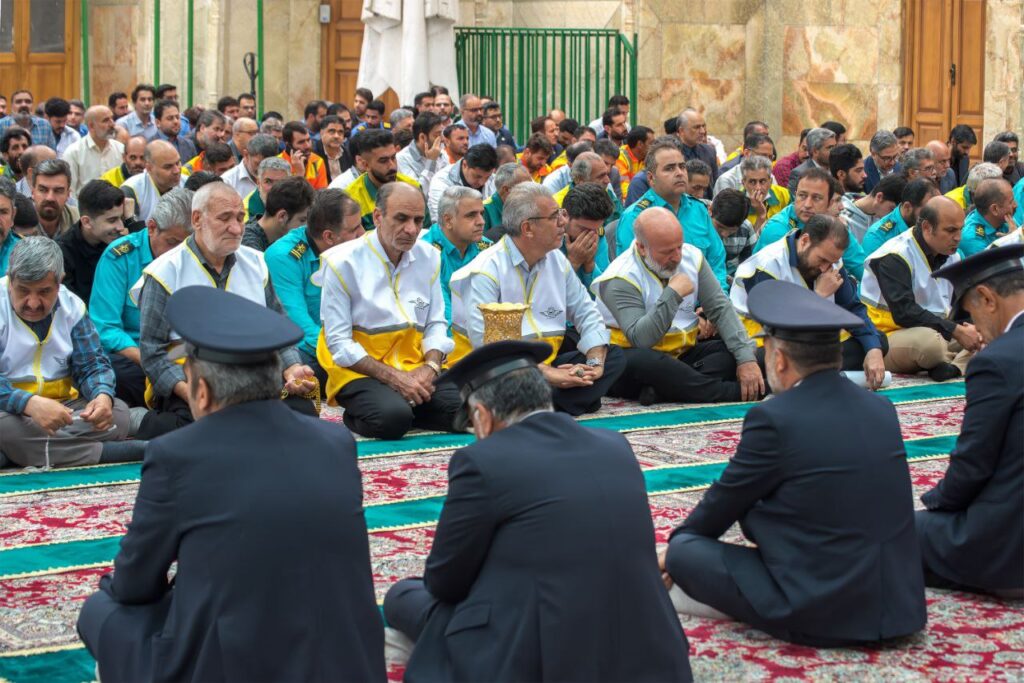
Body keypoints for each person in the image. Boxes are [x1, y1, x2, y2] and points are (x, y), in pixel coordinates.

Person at [77, 286, 385, 683]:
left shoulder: (177, 454)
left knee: (100, 612)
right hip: (341, 665)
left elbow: (134, 584)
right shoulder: (336, 442)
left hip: (234, 666)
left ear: (202, 392)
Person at [384, 340, 693, 682]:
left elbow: (445, 582)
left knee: (404, 597)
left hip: (549, 658)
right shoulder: (615, 444)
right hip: (648, 651)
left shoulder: (483, 461)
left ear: (482, 417)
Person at [661, 279, 927, 646]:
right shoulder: (881, 408)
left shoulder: (774, 418)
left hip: (820, 609)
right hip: (899, 606)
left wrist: (675, 549)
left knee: (684, 552)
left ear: (779, 359)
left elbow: (719, 509)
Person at [133, 183, 317, 439]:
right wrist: (193, 395)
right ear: (197, 219)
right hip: (192, 376)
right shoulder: (164, 272)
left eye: (240, 218)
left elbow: (279, 330)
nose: (236, 228)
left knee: (302, 414)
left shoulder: (256, 262)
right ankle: (144, 421)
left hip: (254, 375)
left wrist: (292, 368)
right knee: (203, 429)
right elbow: (153, 351)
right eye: (225, 218)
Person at [449, 183, 625, 415]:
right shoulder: (486, 271)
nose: (563, 222)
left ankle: (544, 402)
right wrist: (550, 375)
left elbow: (587, 312)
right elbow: (490, 350)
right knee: (508, 381)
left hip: (544, 365)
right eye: (554, 217)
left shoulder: (556, 261)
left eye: (561, 214)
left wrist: (594, 363)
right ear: (528, 228)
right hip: (495, 371)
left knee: (614, 356)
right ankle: (562, 399)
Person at [915, 244, 1024, 597]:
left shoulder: (997, 360)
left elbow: (973, 463)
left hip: (1008, 548)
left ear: (987, 299)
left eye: (971, 316)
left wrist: (936, 504)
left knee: (887, 530)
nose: (975, 329)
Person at [315, 183, 459, 439]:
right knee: (392, 420)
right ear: (378, 217)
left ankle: (409, 404)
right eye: (401, 219)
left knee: (466, 408)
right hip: (360, 370)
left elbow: (436, 323)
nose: (411, 229)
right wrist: (396, 379)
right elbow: (339, 344)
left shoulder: (429, 257)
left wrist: (429, 368)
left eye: (418, 220)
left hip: (414, 365)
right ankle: (391, 408)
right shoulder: (342, 262)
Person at [594, 206, 762, 405]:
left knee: (742, 352)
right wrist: (672, 295)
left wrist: (746, 360)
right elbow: (642, 339)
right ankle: (729, 392)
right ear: (642, 248)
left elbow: (720, 308)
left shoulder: (692, 257)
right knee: (647, 363)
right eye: (667, 252)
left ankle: (664, 391)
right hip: (635, 359)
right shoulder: (620, 277)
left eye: (679, 247)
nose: (677, 257)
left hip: (682, 354)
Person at [0, 237, 141, 467]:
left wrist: (102, 396)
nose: (33, 303)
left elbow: (92, 364)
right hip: (8, 411)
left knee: (118, 412)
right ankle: (105, 452)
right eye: (23, 291)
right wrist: (29, 404)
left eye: (44, 291)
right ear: (10, 279)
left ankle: (15, 452)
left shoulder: (72, 306)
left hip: (63, 408)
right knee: (6, 428)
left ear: (59, 282)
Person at [732, 215, 888, 390]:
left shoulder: (832, 262)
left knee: (877, 341)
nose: (825, 268)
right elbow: (779, 326)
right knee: (773, 358)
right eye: (822, 260)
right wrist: (818, 297)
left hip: (809, 340)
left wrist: (873, 350)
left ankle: (807, 377)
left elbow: (853, 308)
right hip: (768, 342)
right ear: (805, 241)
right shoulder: (767, 266)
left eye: (832, 262)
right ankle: (817, 377)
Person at [91, 189, 193, 408]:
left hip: (179, 350)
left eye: (187, 245)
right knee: (119, 374)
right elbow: (105, 327)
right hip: (134, 355)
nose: (179, 253)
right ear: (152, 227)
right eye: (172, 242)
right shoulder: (120, 257)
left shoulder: (195, 256)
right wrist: (150, 360)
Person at [861, 196, 980, 379]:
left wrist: (972, 329)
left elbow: (959, 308)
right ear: (926, 227)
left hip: (937, 329)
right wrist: (956, 330)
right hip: (887, 336)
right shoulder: (895, 255)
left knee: (989, 329)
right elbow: (905, 313)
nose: (958, 237)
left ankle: (953, 368)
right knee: (931, 346)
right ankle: (955, 360)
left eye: (960, 229)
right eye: (950, 230)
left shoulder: (952, 255)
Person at [266, 189, 363, 389]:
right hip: (316, 347)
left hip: (352, 341)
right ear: (329, 237)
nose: (362, 234)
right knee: (303, 370)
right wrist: (346, 351)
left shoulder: (357, 248)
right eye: (354, 229)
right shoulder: (284, 257)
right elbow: (298, 325)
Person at [617, 138, 728, 289]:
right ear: (651, 178)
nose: (679, 173)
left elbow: (716, 261)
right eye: (669, 168)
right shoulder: (636, 217)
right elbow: (631, 274)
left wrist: (717, 298)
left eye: (682, 167)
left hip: (704, 298)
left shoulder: (699, 209)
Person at [755, 167, 866, 280]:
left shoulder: (834, 226)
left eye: (816, 198)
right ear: (795, 196)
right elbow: (786, 283)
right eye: (802, 195)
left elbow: (862, 269)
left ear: (829, 203)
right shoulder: (778, 230)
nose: (807, 204)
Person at [421, 186, 490, 325]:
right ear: (448, 221)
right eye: (471, 215)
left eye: (481, 214)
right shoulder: (427, 253)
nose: (481, 221)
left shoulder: (486, 248)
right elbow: (441, 313)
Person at [56, 179, 127, 303]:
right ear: (86, 222)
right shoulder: (62, 253)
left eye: (122, 218)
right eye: (112, 220)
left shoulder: (118, 242)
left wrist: (131, 220)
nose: (121, 227)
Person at [346, 129, 424, 231]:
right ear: (365, 165)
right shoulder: (351, 200)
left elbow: (426, 231)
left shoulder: (413, 187)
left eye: (393, 158)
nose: (392, 166)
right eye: (383, 161)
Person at [861, 177, 941, 256]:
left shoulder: (938, 225)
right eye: (927, 211)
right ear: (907, 207)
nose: (935, 216)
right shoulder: (878, 237)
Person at [560, 182, 616, 289]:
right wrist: (573, 262)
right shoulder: (549, 238)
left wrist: (590, 265)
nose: (589, 236)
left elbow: (604, 290)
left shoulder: (597, 236)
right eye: (583, 229)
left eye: (595, 229)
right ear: (564, 216)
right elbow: (548, 292)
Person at [61, 106, 124, 195]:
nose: (112, 124)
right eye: (106, 120)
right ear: (91, 126)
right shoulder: (73, 152)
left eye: (112, 118)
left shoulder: (121, 149)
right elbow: (70, 191)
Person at [241, 176, 314, 251]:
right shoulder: (249, 245)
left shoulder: (287, 237)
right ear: (282, 216)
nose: (306, 226)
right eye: (302, 220)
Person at [427, 143, 498, 219]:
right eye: (477, 176)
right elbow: (441, 219)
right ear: (465, 165)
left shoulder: (494, 180)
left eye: (487, 177)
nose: (482, 182)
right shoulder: (441, 181)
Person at [120, 139, 184, 222]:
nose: (177, 171)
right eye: (168, 167)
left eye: (178, 163)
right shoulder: (132, 189)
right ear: (149, 168)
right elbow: (130, 229)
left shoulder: (187, 182)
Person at [959, 177, 1018, 256]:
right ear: (995, 209)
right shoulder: (972, 239)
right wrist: (1013, 241)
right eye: (1011, 202)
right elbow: (994, 263)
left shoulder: (1006, 219)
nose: (1015, 205)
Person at [712, 188, 759, 284]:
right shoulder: (699, 221)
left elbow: (751, 265)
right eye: (720, 227)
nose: (724, 234)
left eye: (732, 231)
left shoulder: (746, 229)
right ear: (710, 211)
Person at [841, 173, 905, 244]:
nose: (892, 216)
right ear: (879, 197)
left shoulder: (879, 215)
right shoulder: (844, 219)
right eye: (892, 209)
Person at [397, 111, 447, 195]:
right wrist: (431, 162)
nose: (442, 139)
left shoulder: (441, 153)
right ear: (422, 137)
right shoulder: (402, 159)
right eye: (437, 135)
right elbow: (418, 192)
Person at [740, 154, 791, 232]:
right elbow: (749, 239)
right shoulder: (736, 204)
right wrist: (761, 215)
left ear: (770, 181)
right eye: (752, 182)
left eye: (762, 181)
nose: (758, 188)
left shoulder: (784, 194)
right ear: (743, 183)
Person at [482, 162, 531, 241]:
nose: (531, 191)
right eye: (525, 188)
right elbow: (479, 244)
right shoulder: (484, 210)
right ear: (506, 190)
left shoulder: (530, 205)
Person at [30, 159, 79, 239]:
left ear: (68, 195)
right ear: (32, 192)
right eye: (43, 190)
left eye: (58, 191)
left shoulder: (79, 221)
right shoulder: (18, 222)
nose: (50, 198)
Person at [674, 108, 718, 195]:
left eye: (703, 126)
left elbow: (714, 185)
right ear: (681, 131)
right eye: (697, 127)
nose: (702, 131)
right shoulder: (672, 154)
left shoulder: (709, 151)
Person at [221, 133, 277, 200]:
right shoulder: (228, 181)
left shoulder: (281, 176)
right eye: (258, 164)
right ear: (246, 155)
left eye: (269, 164)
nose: (263, 169)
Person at [786, 127, 836, 196]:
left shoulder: (836, 169)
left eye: (835, 147)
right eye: (829, 148)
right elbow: (793, 200)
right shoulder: (799, 173)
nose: (834, 151)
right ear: (815, 151)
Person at [280, 121, 327, 190]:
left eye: (308, 140)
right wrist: (299, 174)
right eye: (301, 142)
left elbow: (322, 193)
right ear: (288, 145)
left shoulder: (317, 161)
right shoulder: (278, 163)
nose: (307, 146)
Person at [181, 109, 228, 175]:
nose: (220, 135)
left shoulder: (218, 144)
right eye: (216, 129)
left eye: (222, 130)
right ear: (202, 128)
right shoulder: (185, 146)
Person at [154, 98, 196, 163]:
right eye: (170, 118)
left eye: (177, 117)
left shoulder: (189, 145)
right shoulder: (149, 146)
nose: (176, 121)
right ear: (158, 123)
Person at [311, 114, 349, 183]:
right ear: (321, 133)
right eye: (332, 131)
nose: (336, 136)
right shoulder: (313, 155)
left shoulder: (347, 153)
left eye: (340, 132)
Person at [863, 129, 901, 194]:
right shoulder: (863, 172)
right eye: (887, 158)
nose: (892, 162)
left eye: (895, 156)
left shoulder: (901, 169)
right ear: (873, 154)